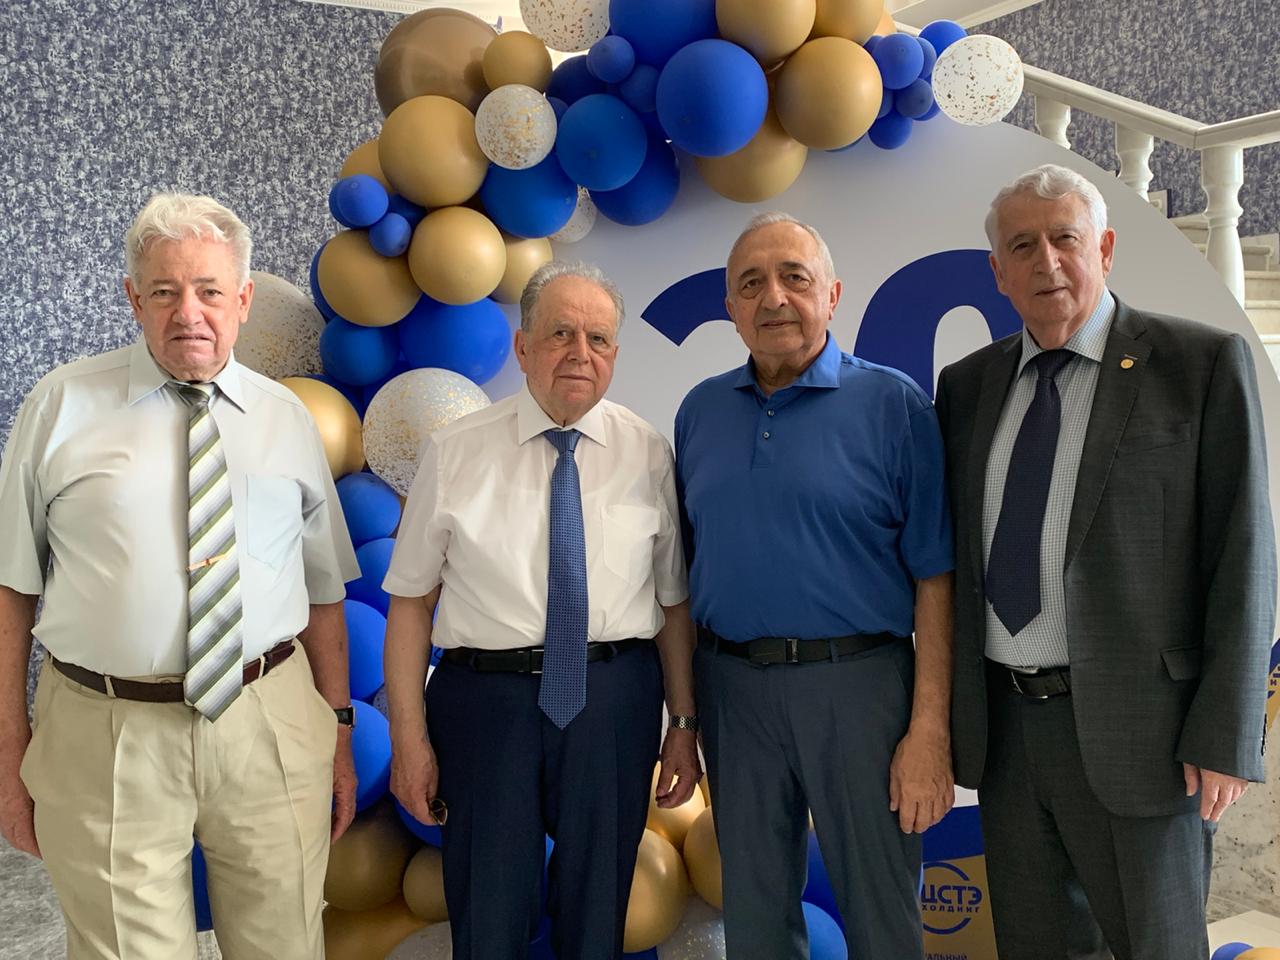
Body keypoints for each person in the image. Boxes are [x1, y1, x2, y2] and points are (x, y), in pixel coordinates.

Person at [0, 193, 360, 959]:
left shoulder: (286, 418)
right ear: (134, 299)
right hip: (106, 732)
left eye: (208, 291)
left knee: (286, 944)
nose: (187, 313)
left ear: (244, 300)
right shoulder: (59, 407)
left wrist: (336, 731)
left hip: (269, 719)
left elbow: (323, 590)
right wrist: (8, 748)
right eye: (164, 291)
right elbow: (12, 588)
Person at [934, 162, 1276, 960]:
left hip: (1149, 737)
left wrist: (1226, 734)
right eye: (1023, 246)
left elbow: (1244, 557)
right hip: (1008, 735)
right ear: (998, 272)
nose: (1047, 261)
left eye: (1066, 238)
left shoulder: (1198, 364)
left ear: (1106, 249)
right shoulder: (967, 386)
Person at [382, 260, 700, 960]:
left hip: (613, 701)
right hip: (484, 706)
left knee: (598, 914)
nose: (580, 353)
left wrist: (682, 724)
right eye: (560, 334)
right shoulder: (455, 450)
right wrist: (408, 737)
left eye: (598, 338)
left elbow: (672, 604)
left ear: (615, 353)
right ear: (523, 347)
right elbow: (410, 603)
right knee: (488, 917)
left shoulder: (647, 451)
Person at [675, 212, 956, 959]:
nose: (773, 297)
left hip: (861, 691)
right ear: (730, 308)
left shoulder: (894, 404)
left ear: (831, 294)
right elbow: (689, 570)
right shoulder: (699, 412)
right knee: (755, 916)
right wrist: (687, 718)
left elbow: (937, 578)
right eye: (751, 284)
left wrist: (929, 729)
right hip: (733, 691)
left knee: (882, 914)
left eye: (794, 278)